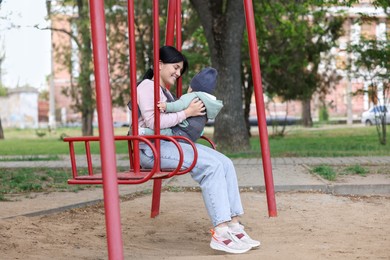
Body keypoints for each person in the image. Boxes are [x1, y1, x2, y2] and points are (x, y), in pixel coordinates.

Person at [136, 45, 260, 254]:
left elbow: (171, 123)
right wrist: (188, 112)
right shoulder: (147, 86)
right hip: (151, 148)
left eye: (180, 70)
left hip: (169, 142)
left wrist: (187, 113)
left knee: (225, 163)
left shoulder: (163, 90)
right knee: (210, 167)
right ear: (159, 65)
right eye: (175, 67)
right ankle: (220, 232)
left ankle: (234, 226)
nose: (178, 73)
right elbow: (153, 121)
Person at [140, 67, 223, 142]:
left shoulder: (192, 96)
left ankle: (142, 131)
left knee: (165, 132)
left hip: (181, 132)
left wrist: (166, 106)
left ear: (191, 87)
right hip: (193, 136)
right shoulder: (207, 102)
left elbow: (179, 105)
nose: (178, 73)